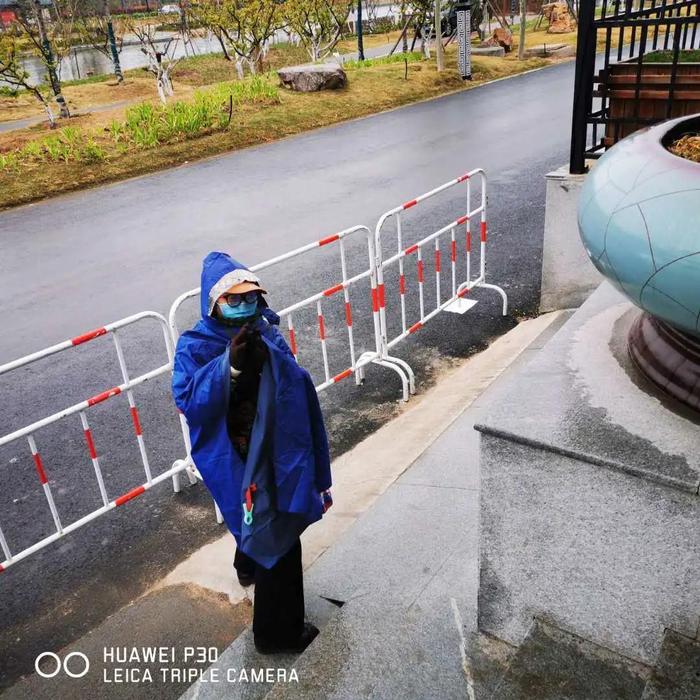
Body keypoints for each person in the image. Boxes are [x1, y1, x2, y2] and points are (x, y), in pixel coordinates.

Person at [172, 251, 333, 655]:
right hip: (233, 453)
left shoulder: (266, 332)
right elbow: (189, 399)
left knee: (253, 517)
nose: (244, 305)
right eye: (233, 298)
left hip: (272, 451)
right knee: (279, 536)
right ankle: (277, 635)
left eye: (250, 297)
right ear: (213, 302)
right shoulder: (196, 346)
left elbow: (292, 380)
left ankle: (247, 565)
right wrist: (230, 366)